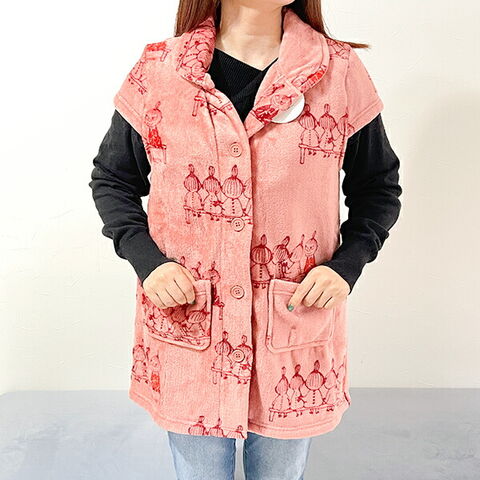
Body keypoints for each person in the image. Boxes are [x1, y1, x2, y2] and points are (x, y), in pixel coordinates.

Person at [89, 1, 402, 478]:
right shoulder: (160, 70)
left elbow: (378, 187)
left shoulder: (337, 72)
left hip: (292, 327)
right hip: (191, 323)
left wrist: (346, 266)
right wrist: (148, 262)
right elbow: (113, 179)